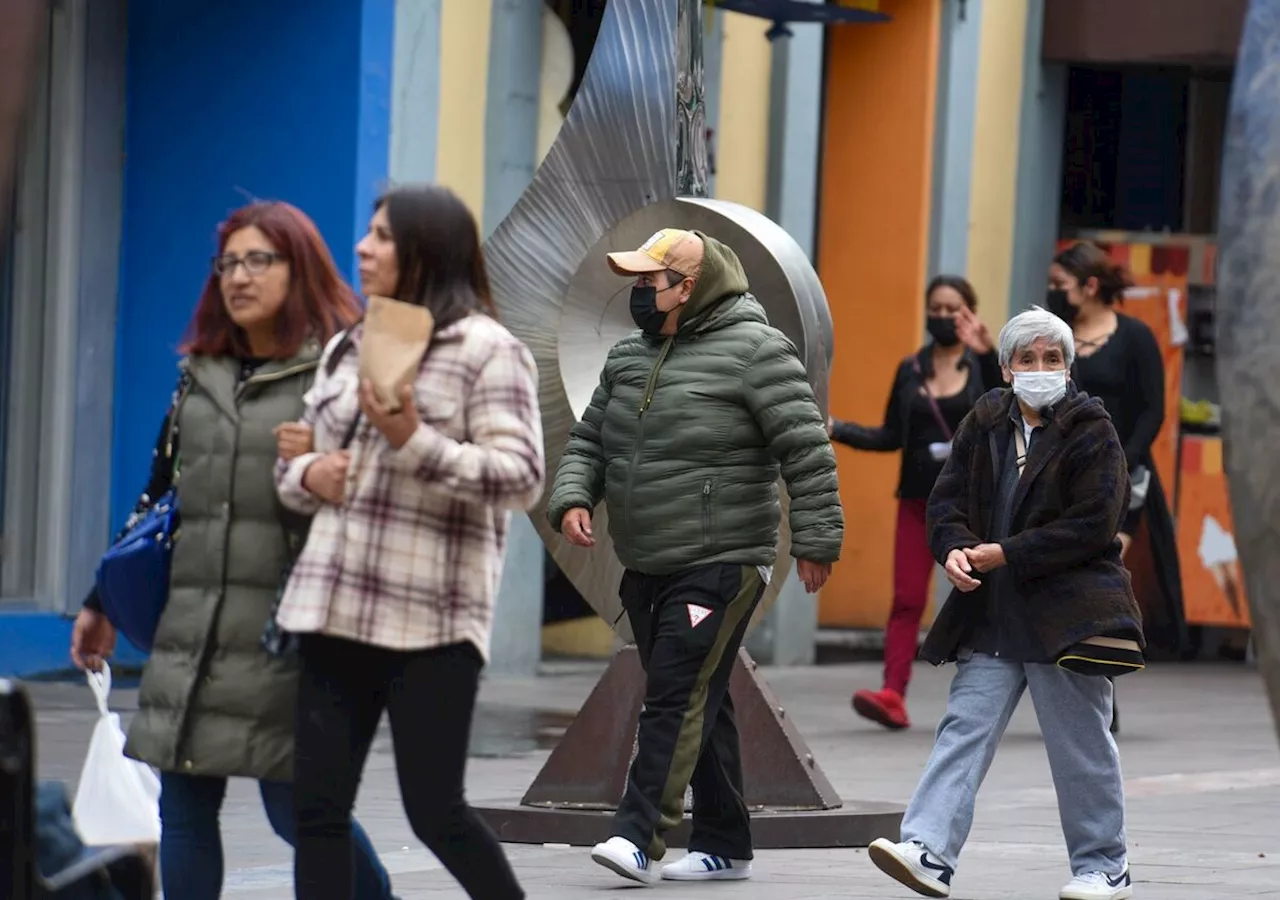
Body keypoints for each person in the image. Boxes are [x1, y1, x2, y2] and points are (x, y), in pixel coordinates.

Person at [68, 202, 394, 900]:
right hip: (192, 629)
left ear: (298, 266)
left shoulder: (339, 367)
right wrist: (102, 601)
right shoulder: (202, 373)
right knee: (182, 809)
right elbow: (160, 495)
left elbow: (389, 492)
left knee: (298, 812)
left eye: (258, 261)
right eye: (228, 264)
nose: (238, 278)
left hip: (290, 634)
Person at [546, 228, 844, 885]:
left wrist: (820, 541)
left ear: (690, 287)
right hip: (646, 560)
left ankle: (637, 834)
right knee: (700, 695)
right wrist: (572, 497)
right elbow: (591, 439)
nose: (640, 295)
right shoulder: (628, 357)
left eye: (651, 283)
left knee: (675, 693)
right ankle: (725, 841)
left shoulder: (759, 352)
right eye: (638, 283)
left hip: (723, 558)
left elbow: (806, 449)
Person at [274, 184, 543, 900]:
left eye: (384, 236)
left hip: (432, 622)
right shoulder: (347, 345)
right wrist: (308, 471)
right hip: (332, 608)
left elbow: (522, 478)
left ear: (428, 249)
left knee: (435, 812)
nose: (363, 248)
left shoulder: (490, 351)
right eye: (367, 233)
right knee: (317, 811)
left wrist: (413, 440)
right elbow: (298, 469)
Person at [867, 307, 1143, 900]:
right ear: (1006, 366)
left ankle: (1104, 865)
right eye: (1028, 358)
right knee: (963, 729)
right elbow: (945, 505)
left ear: (1068, 369)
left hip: (1067, 615)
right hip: (991, 613)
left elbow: (1095, 523)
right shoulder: (985, 421)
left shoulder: (1093, 428)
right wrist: (956, 550)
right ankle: (928, 851)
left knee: (1080, 745)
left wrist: (1007, 553)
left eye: (1052, 359)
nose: (1040, 368)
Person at [828, 275, 1001, 730]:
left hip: (972, 505)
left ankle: (990, 695)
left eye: (953, 309)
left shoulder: (984, 366)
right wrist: (837, 428)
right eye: (936, 309)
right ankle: (892, 695)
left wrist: (986, 352)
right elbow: (889, 436)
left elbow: (1001, 416)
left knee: (986, 597)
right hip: (916, 502)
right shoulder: (911, 369)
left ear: (970, 314)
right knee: (906, 599)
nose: (942, 317)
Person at [1047, 242, 1185, 661]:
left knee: (1101, 569)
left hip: (1124, 475)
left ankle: (1103, 662)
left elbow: (1153, 410)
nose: (1052, 291)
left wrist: (1125, 461)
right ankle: (1081, 659)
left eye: (1060, 284)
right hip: (1064, 475)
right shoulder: (1055, 339)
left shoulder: (1134, 336)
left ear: (1089, 286)